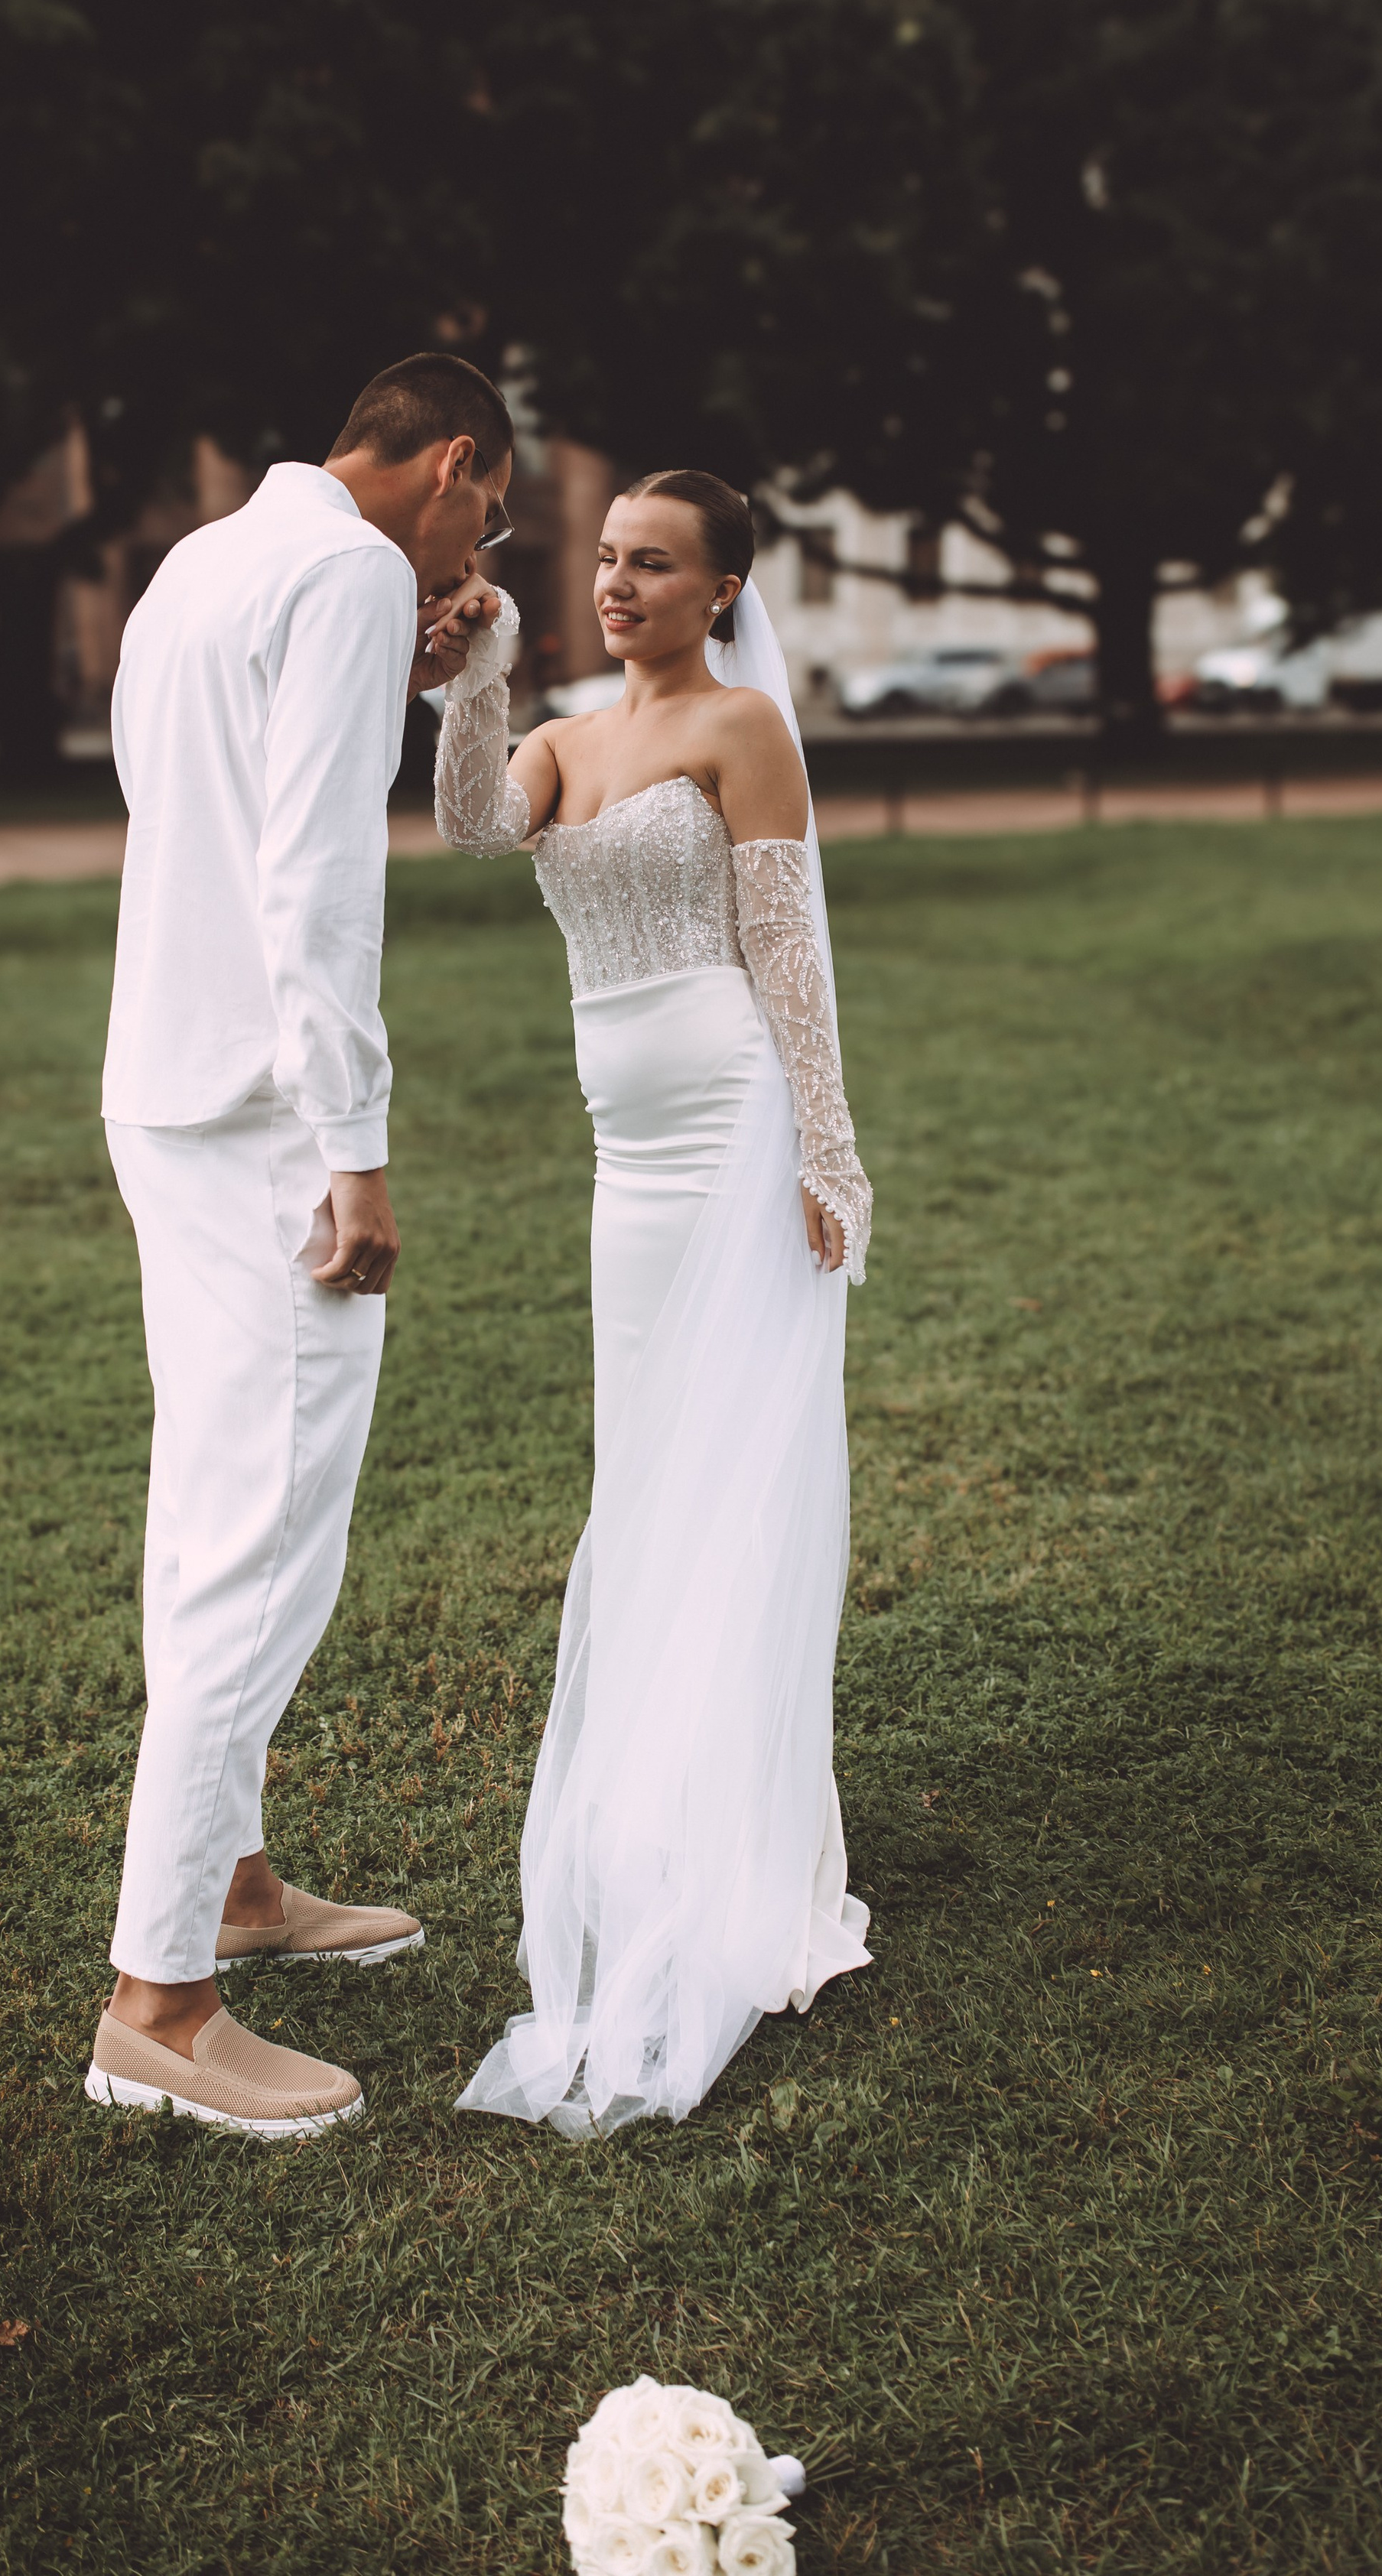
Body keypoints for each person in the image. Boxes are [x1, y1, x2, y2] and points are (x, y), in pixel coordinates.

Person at [86, 353, 509, 2139]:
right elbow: (318, 880)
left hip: (161, 1082)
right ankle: (158, 2005)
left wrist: (411, 671)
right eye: (488, 516)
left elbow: (179, 794)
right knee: (259, 1539)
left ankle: (237, 1886)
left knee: (209, 1504)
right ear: (453, 464)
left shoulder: (203, 560)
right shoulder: (343, 572)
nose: (477, 553)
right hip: (269, 1117)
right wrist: (358, 1154)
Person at [435, 469, 874, 2137]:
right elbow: (470, 826)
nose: (616, 583)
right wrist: (477, 676)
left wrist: (826, 1149)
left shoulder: (742, 728)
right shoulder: (560, 739)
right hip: (625, 1157)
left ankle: (747, 1842)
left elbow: (787, 946)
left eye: (653, 563)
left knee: (733, 1473)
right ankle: (655, 1816)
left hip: (735, 1121)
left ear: (720, 589)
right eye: (607, 559)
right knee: (643, 1472)